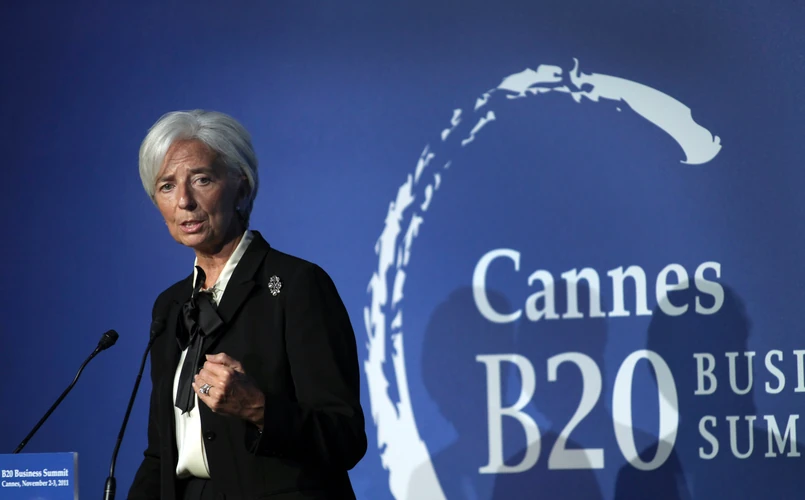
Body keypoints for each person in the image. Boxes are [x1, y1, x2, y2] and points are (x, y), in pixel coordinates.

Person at [128, 110, 367, 500]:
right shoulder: (170, 306)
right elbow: (161, 454)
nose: (184, 201)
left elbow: (345, 437)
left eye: (201, 179)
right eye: (167, 186)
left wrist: (258, 408)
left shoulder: (297, 285)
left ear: (241, 185)